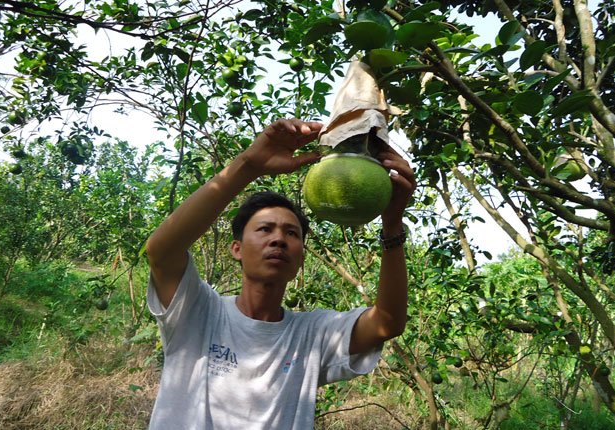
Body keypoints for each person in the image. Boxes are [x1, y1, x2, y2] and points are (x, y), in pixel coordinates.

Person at [145, 118, 416, 429]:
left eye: (291, 233)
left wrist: (392, 225)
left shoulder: (312, 335)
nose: (278, 239)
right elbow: (161, 252)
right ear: (236, 249)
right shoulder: (197, 313)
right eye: (264, 229)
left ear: (300, 258)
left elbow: (387, 322)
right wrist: (249, 164)